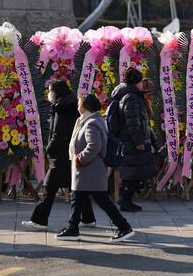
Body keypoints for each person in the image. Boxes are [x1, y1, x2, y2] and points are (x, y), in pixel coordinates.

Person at [56, 93, 135, 242]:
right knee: (77, 199)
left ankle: (124, 227)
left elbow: (94, 146)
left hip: (90, 169)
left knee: (102, 201)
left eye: (79, 103)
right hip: (87, 171)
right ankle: (73, 228)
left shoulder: (91, 123)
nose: (77, 106)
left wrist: (80, 158)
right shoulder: (89, 120)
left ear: (85, 106)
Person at [22, 80, 95, 231]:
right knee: (78, 187)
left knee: (49, 189)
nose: (49, 94)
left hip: (61, 155)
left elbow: (58, 135)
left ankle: (39, 220)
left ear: (56, 93)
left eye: (50, 91)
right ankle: (88, 219)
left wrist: (48, 150)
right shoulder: (71, 105)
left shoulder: (62, 109)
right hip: (71, 153)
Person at [111, 67, 156, 212]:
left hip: (131, 141)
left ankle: (126, 200)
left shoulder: (130, 95)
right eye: (141, 81)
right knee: (135, 173)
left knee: (136, 172)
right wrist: (139, 142)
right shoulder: (131, 97)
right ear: (137, 82)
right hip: (132, 142)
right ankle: (125, 199)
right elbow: (132, 122)